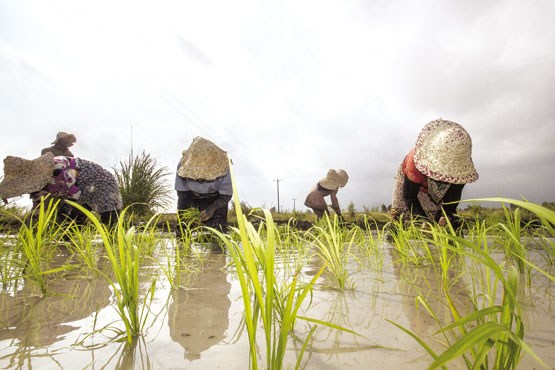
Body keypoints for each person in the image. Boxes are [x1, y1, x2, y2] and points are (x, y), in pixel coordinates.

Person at [390, 118, 478, 229]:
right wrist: (423, 220)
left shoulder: (461, 172)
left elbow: (453, 197)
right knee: (398, 220)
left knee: (448, 224)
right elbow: (409, 196)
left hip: (441, 191)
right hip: (412, 184)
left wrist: (447, 215)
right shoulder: (415, 162)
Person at [0, 153, 123, 226]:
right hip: (83, 190)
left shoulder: (58, 167)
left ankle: (113, 253)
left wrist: (62, 213)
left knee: (109, 218)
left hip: (100, 181)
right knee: (70, 228)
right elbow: (37, 210)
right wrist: (30, 227)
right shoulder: (36, 187)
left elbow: (75, 194)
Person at [175, 137, 232, 232]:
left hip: (216, 200)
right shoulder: (183, 165)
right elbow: (182, 194)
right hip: (190, 197)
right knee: (183, 229)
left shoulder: (225, 169)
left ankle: (217, 246)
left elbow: (226, 196)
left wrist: (212, 208)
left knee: (219, 231)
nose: (200, 179)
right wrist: (193, 210)